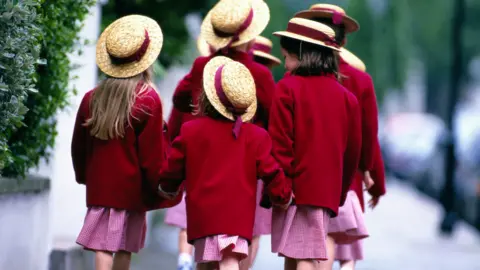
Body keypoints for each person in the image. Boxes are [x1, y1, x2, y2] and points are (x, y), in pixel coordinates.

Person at [165, 1, 276, 268]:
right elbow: (275, 122)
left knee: (205, 243)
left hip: (205, 165)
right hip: (247, 167)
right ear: (250, 36)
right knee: (242, 242)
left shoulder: (203, 65)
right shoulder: (259, 74)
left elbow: (180, 100)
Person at [158, 56, 293, 270]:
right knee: (230, 262)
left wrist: (167, 187)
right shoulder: (256, 136)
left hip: (203, 216)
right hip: (237, 218)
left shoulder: (191, 131)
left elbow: (173, 167)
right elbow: (271, 171)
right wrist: (282, 196)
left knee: (205, 262)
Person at [71, 15, 180, 270]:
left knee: (102, 247)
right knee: (124, 248)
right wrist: (159, 187)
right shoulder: (148, 99)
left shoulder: (91, 98)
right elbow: (151, 156)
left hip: (100, 187)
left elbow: (79, 145)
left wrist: (83, 176)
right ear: (144, 60)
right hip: (131, 190)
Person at [295, 4, 385, 269]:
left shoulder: (296, 77)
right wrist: (374, 178)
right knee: (330, 235)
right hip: (346, 174)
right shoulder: (361, 80)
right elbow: (369, 136)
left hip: (304, 170)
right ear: (343, 40)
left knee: (302, 243)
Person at [268, 17, 362, 270]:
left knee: (303, 257)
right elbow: (352, 153)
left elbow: (280, 144)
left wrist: (281, 188)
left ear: (301, 55)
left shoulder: (286, 88)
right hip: (325, 190)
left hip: (293, 189)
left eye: (286, 57)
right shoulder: (348, 99)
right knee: (298, 253)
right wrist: (340, 192)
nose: (285, 63)